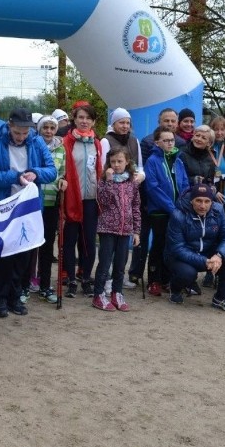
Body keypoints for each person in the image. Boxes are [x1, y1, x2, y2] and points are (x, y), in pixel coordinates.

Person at [0, 108, 56, 317]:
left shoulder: (36, 141)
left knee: (23, 255)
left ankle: (16, 296)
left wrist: (35, 173)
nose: (22, 137)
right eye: (17, 133)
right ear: (10, 125)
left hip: (27, 208)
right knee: (3, 254)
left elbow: (51, 170)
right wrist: (15, 177)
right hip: (4, 206)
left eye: (25, 133)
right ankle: (0, 298)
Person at [164, 183, 225, 313]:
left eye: (207, 201)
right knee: (187, 274)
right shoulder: (178, 215)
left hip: (209, 254)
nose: (203, 205)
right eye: (198, 201)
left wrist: (219, 255)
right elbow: (178, 248)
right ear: (191, 200)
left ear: (212, 202)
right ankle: (175, 288)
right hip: (180, 256)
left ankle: (222, 298)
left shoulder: (219, 210)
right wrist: (204, 261)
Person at [61, 103, 104, 297]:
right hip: (72, 197)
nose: (84, 121)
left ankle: (86, 277)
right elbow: (61, 168)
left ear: (93, 121)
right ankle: (70, 279)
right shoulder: (66, 142)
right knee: (70, 240)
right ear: (75, 120)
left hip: (90, 199)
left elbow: (99, 170)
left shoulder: (97, 143)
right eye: (81, 117)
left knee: (88, 240)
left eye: (88, 118)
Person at [92, 147, 141, 312]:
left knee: (121, 264)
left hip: (125, 230)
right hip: (107, 228)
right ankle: (98, 295)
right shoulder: (104, 181)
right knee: (105, 263)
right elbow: (104, 201)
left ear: (127, 162)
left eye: (120, 161)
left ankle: (117, 293)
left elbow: (136, 207)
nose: (116, 164)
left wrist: (137, 231)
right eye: (113, 161)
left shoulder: (132, 183)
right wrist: (110, 180)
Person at [143, 129, 189, 296]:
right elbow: (153, 188)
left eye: (172, 140)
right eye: (166, 140)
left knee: (173, 245)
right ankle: (154, 280)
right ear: (157, 143)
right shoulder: (152, 161)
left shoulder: (178, 160)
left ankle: (167, 279)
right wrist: (171, 208)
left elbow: (184, 184)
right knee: (158, 244)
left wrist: (182, 205)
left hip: (177, 210)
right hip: (160, 212)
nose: (170, 143)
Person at [35, 115, 66, 303]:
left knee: (47, 247)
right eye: (45, 127)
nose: (48, 131)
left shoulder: (61, 148)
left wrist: (63, 180)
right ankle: (25, 284)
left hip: (52, 201)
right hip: (34, 203)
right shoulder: (34, 145)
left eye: (52, 127)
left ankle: (45, 285)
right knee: (30, 248)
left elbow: (63, 171)